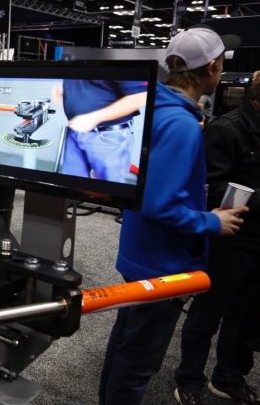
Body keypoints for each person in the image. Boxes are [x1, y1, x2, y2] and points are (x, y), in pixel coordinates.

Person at [98, 27, 248, 405]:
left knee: (125, 344)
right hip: (161, 264)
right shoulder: (181, 124)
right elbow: (161, 205)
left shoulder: (151, 107)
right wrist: (212, 222)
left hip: (139, 252)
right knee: (138, 361)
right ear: (212, 68)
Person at [173, 73, 260, 405]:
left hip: (256, 241)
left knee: (245, 315)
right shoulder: (227, 129)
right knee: (207, 313)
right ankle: (189, 380)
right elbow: (209, 187)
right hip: (229, 238)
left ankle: (228, 377)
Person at [55, 79, 148, 182]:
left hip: (107, 136)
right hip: (75, 131)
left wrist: (94, 118)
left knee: (108, 187)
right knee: (72, 182)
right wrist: (68, 90)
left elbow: (141, 96)